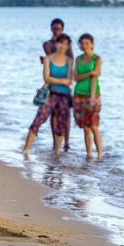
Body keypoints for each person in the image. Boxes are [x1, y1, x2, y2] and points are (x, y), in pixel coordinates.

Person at [23, 34, 73, 157]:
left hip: (64, 96)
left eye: (66, 44)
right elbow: (46, 77)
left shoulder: (69, 61)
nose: (63, 46)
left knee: (60, 125)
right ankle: (25, 150)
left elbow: (69, 81)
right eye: (61, 43)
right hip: (50, 95)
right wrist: (60, 80)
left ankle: (57, 153)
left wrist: (53, 79)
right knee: (38, 120)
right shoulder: (48, 59)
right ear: (56, 44)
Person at [42, 18, 73, 151]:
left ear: (62, 30)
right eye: (54, 29)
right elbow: (53, 57)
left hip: (65, 79)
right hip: (52, 79)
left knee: (66, 113)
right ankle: (55, 141)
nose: (56, 31)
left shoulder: (67, 44)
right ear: (51, 29)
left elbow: (71, 59)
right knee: (53, 113)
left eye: (59, 29)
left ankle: (66, 142)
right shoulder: (47, 44)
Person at [73, 33, 103, 160]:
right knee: (85, 127)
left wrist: (92, 97)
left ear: (92, 44)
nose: (84, 45)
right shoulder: (78, 59)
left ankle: (100, 156)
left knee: (94, 126)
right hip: (78, 94)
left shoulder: (97, 59)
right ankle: (89, 155)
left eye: (87, 43)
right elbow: (76, 78)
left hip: (93, 95)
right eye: (82, 43)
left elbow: (95, 77)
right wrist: (90, 72)